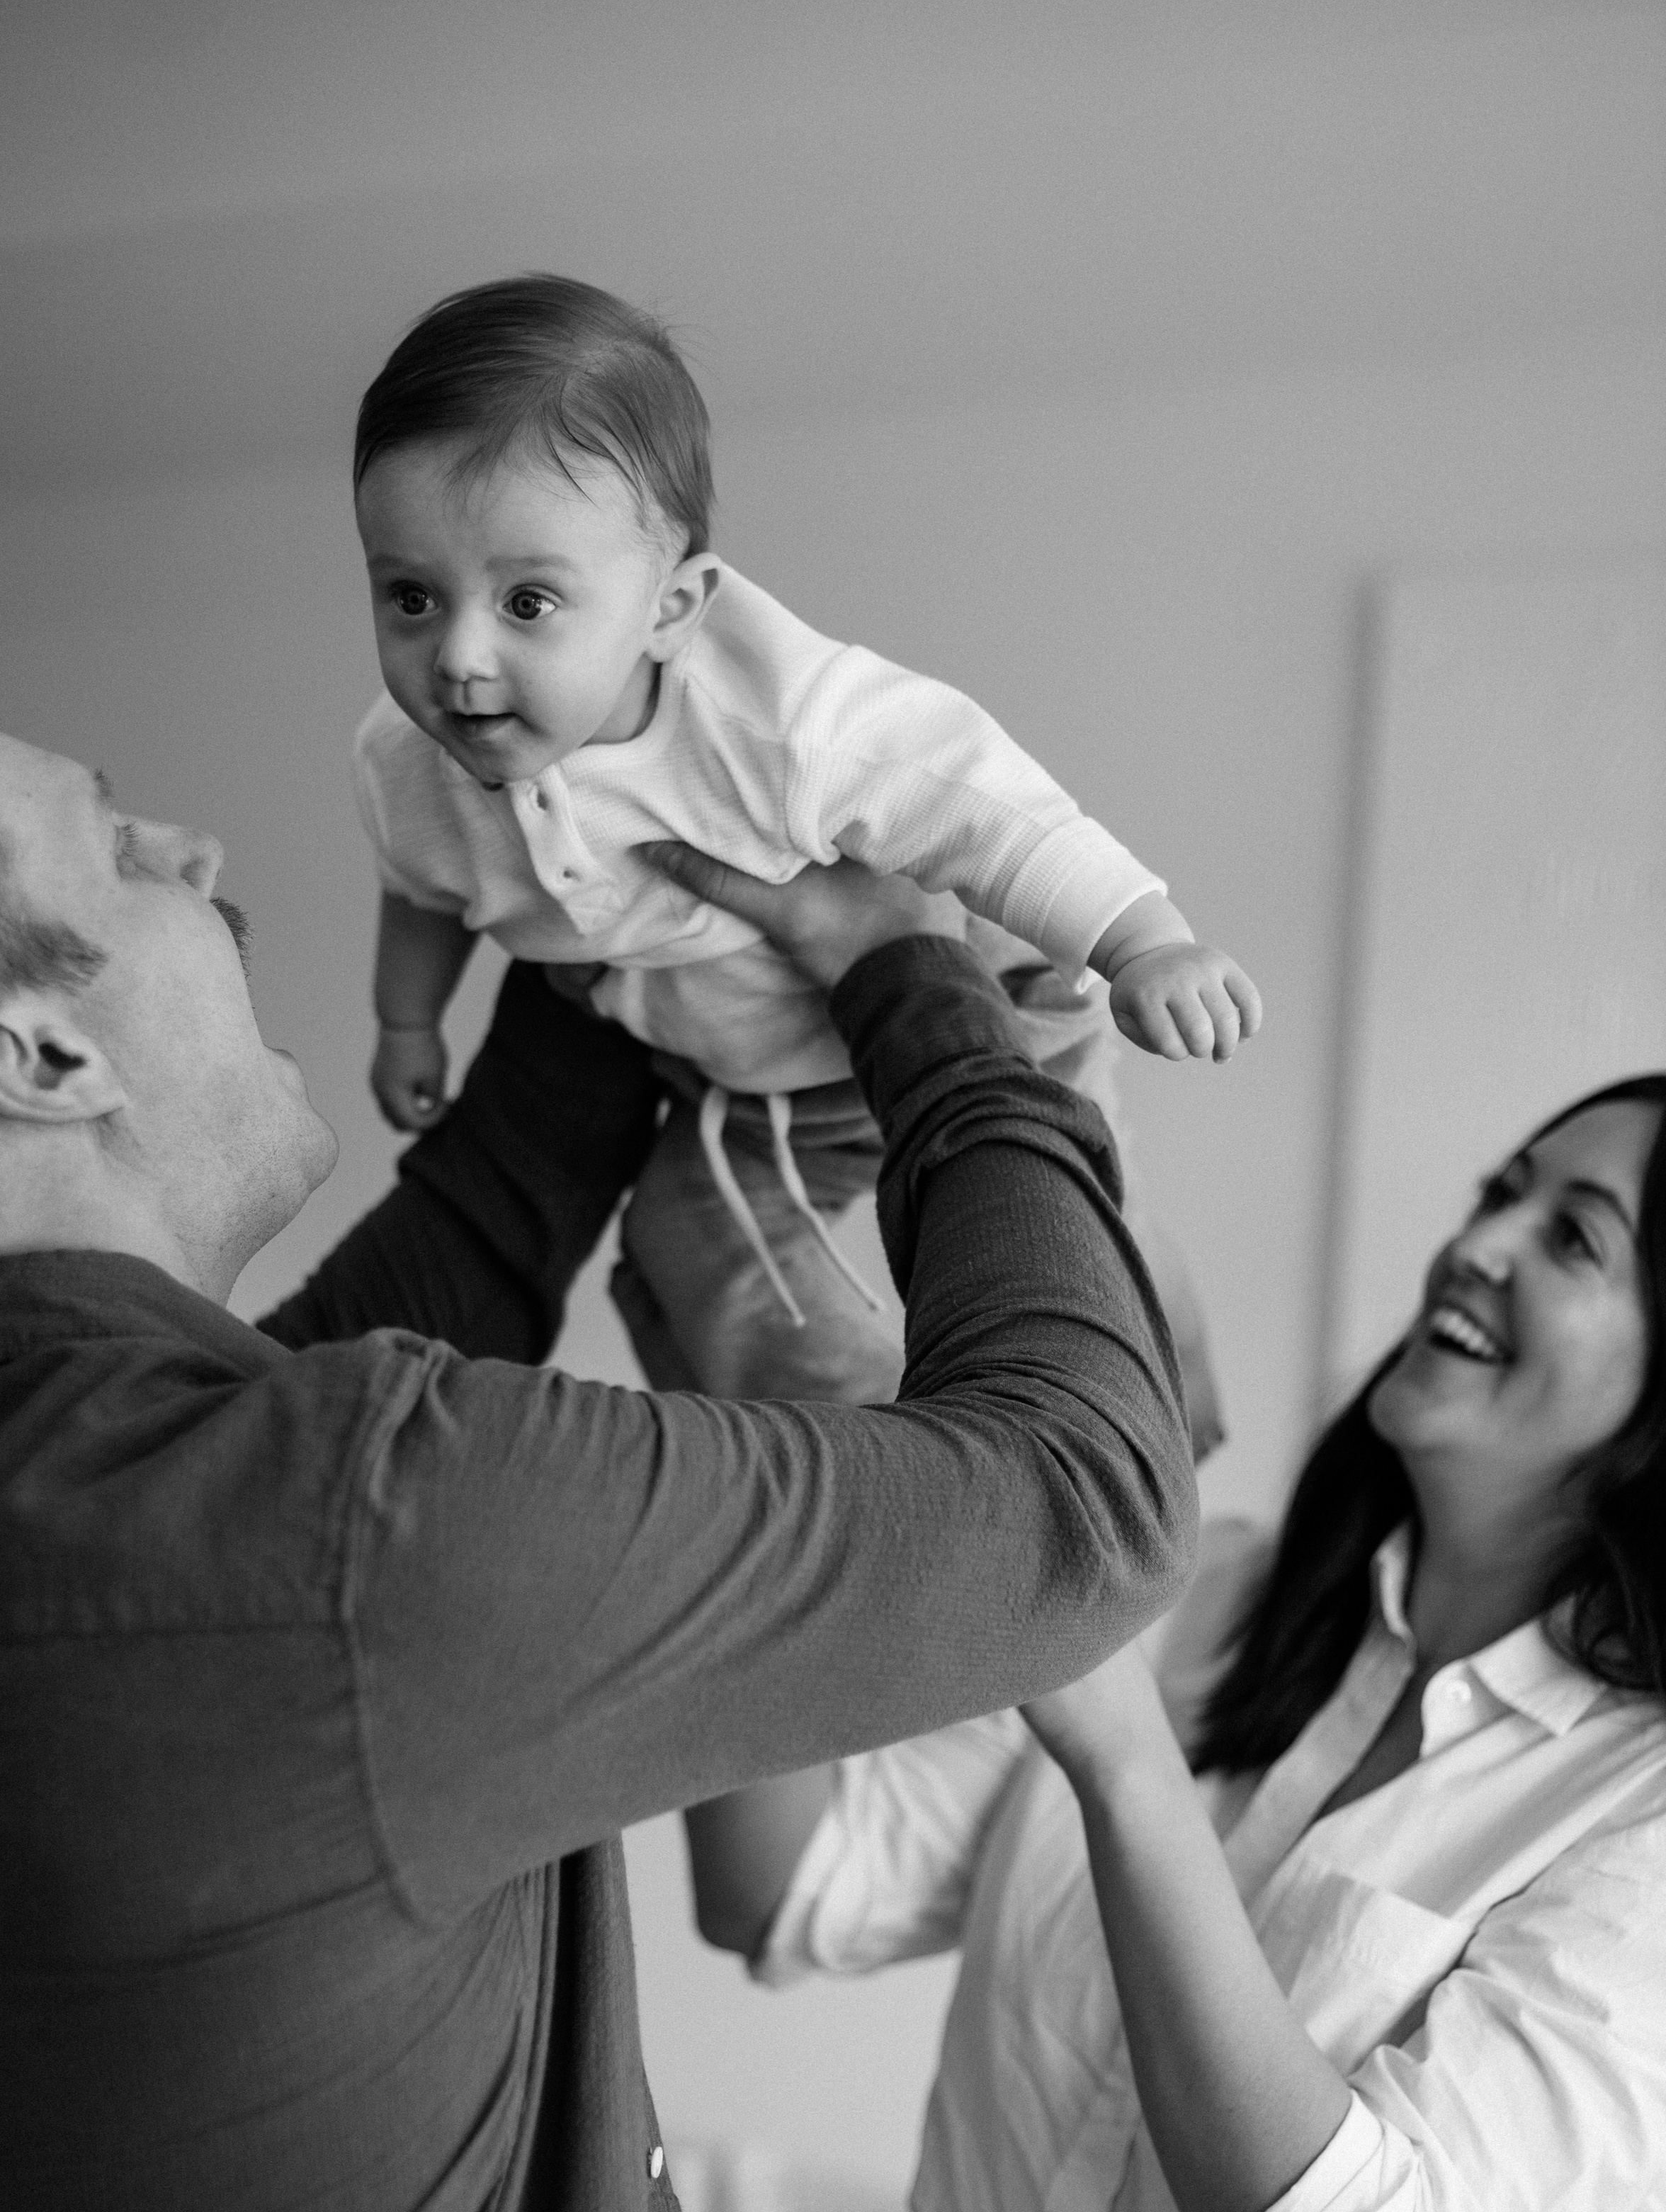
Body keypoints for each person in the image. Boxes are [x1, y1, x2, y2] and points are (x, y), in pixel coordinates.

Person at [0, 648, 1196, 2212]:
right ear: (41, 1062)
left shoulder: (24, 1512)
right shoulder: (329, 1544)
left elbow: (430, 1282)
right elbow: (1080, 1504)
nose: (195, 843)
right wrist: (916, 988)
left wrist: (610, 934)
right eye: (120, 850)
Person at [690, 1074, 1666, 2212]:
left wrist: (1119, 1755)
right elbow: (787, 1880)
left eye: (1573, 1238)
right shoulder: (1214, 1602)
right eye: (1498, 1186)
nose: (1476, 1240)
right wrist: (759, 1434)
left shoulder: (1640, 1814)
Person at [350, 271, 1259, 1405]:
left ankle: (1132, 1419)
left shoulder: (784, 723)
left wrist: (1145, 942)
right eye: (411, 597)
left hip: (975, 1002)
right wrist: (406, 1021)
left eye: (528, 603)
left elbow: (985, 805)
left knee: (1068, 1208)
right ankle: (853, 1457)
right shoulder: (406, 761)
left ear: (672, 610)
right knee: (681, 1252)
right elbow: (422, 888)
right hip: (752, 1085)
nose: (458, 659)